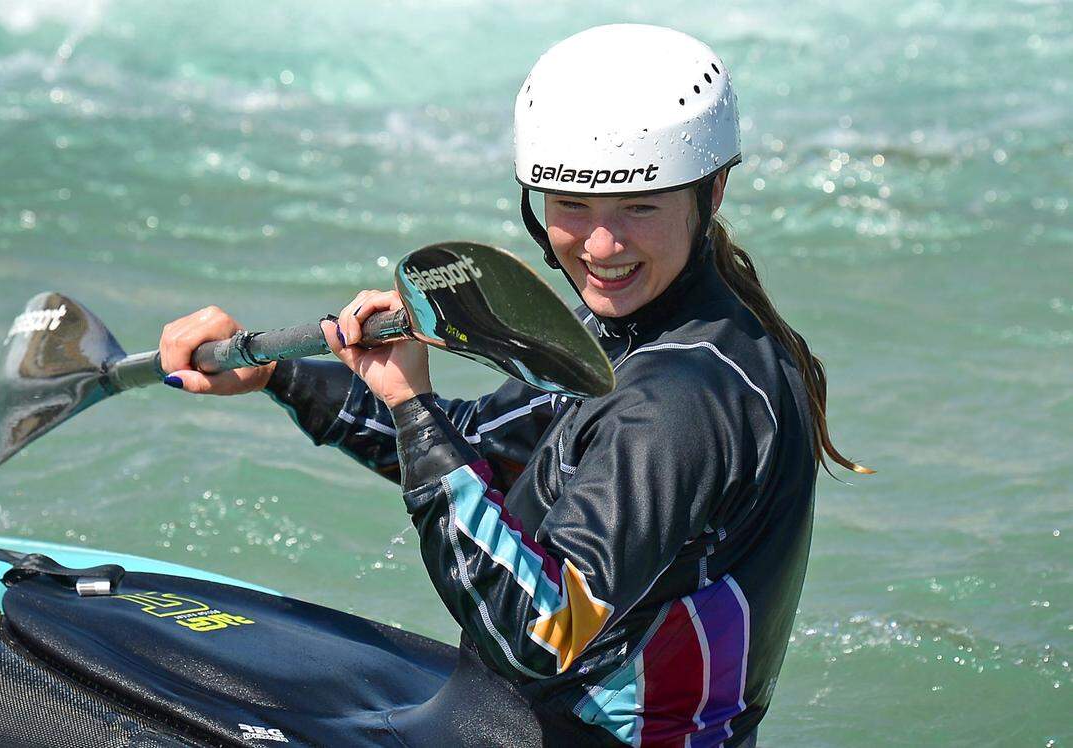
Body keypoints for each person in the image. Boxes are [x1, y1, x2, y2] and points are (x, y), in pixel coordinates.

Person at [159, 24, 869, 747]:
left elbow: (535, 630)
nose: (601, 247)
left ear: (712, 191)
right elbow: (491, 448)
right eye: (571, 206)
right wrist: (283, 375)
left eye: (640, 208)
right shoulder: (640, 330)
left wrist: (412, 408)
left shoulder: (681, 403)